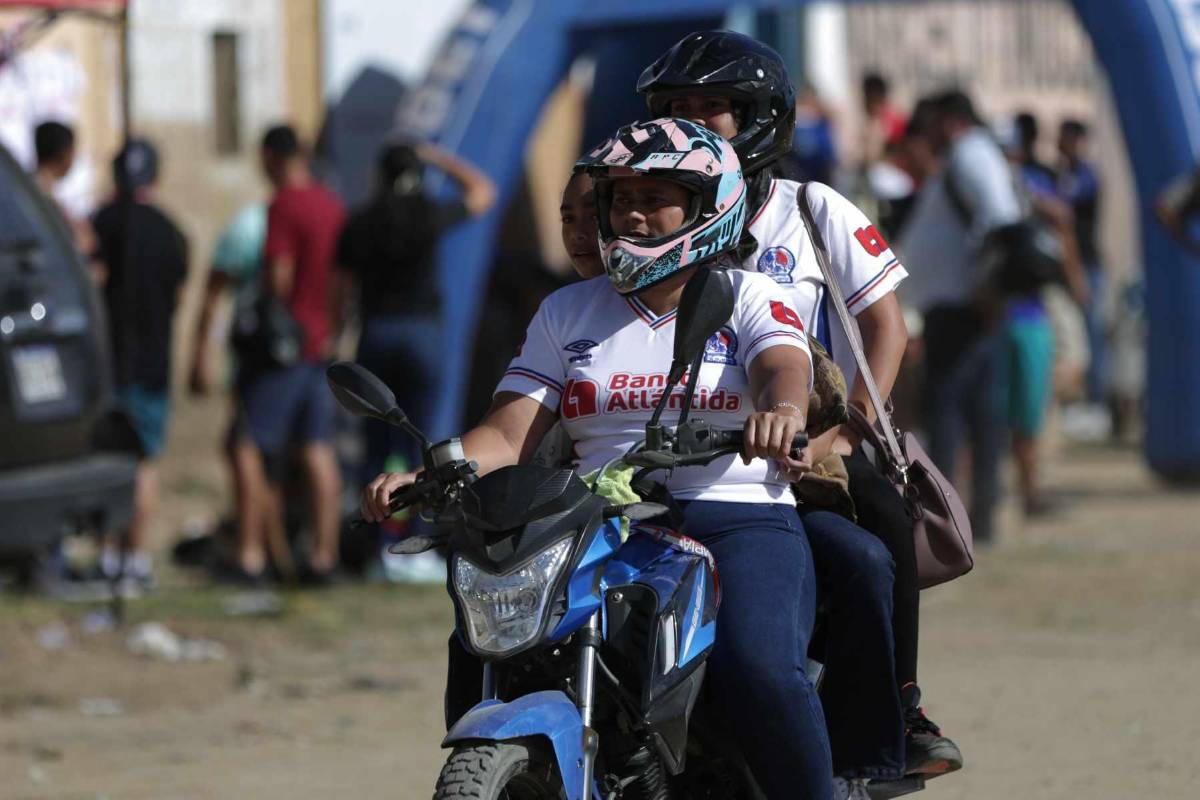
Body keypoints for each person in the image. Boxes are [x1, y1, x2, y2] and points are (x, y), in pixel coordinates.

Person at [366, 118, 854, 799]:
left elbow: (782, 369)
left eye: (655, 198)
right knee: (488, 635)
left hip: (735, 512)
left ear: (707, 207)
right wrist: (426, 476)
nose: (632, 213)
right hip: (598, 521)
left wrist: (782, 415)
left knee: (761, 668)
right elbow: (507, 435)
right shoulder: (566, 311)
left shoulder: (748, 295)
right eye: (621, 198)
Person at [639, 30, 959, 782]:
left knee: (877, 532)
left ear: (760, 118)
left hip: (803, 450)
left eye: (709, 108)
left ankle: (900, 709)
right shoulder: (647, 216)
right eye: (675, 108)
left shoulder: (812, 209)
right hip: (670, 452)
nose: (690, 123)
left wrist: (844, 433)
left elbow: (887, 328)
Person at [899, 89, 1021, 545]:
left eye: (933, 122)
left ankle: (951, 520)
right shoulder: (969, 156)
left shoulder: (971, 153)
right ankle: (972, 519)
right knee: (970, 411)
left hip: (964, 308)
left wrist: (988, 289)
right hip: (959, 307)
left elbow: (1001, 223)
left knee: (949, 412)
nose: (927, 133)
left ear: (950, 121)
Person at [334, 141, 495, 489]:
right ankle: (422, 515)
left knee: (375, 440)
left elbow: (341, 290)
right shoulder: (429, 214)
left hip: (377, 332)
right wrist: (436, 157)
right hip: (422, 334)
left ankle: (377, 513)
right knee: (424, 442)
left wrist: (336, 336)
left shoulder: (361, 221)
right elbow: (483, 192)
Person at [236, 125, 344, 583]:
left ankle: (251, 555)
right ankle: (325, 554)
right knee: (317, 448)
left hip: (286, 345)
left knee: (248, 446)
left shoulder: (283, 205)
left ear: (270, 157)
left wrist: (267, 312)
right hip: (322, 342)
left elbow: (279, 274)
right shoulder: (331, 204)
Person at [91, 138, 189, 591]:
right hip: (152, 362)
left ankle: (108, 555)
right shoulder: (169, 231)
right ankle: (134, 556)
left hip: (108, 363)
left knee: (107, 460)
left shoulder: (102, 223)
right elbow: (176, 295)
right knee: (143, 462)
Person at [187, 203, 278, 583]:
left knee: (244, 448)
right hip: (306, 356)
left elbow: (213, 295)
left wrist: (200, 355)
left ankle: (251, 552)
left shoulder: (251, 224)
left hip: (259, 357)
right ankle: (280, 549)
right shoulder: (326, 211)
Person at [1056, 119, 1108, 413]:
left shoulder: (1087, 176)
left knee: (1092, 332)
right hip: (1069, 265)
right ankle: (1079, 398)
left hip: (1087, 265)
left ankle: (1096, 401)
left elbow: (1064, 204)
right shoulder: (1063, 174)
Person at [32, 120, 93, 254]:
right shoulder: (41, 195)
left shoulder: (33, 188)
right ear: (64, 152)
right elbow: (82, 243)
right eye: (73, 150)